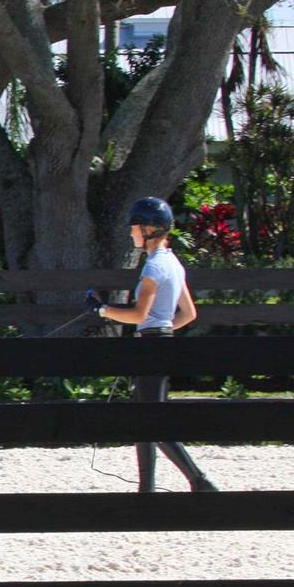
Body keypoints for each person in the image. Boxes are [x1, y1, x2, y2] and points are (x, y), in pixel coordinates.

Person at [85, 196, 218, 493]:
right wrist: (164, 330)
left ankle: (199, 480)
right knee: (145, 417)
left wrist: (101, 310)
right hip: (163, 343)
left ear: (148, 229)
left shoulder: (152, 269)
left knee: (151, 422)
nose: (131, 232)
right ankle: (147, 487)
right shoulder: (172, 263)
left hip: (150, 346)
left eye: (135, 227)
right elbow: (189, 313)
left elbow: (138, 314)